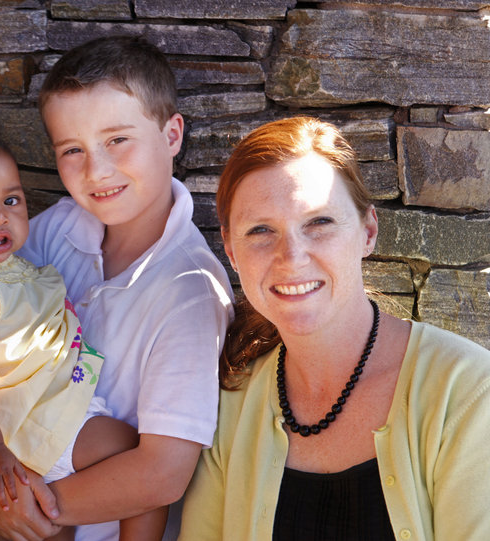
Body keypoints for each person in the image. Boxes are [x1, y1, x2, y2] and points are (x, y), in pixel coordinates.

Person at [179, 116, 490, 540]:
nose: (292, 257)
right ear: (232, 252)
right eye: (261, 231)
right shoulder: (230, 404)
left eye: (319, 223)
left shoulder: (466, 390)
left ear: (368, 231)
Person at [0, 36, 235, 540]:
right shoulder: (54, 232)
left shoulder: (190, 291)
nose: (96, 170)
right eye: (72, 149)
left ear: (171, 135)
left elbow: (162, 473)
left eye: (118, 139)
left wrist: (26, 509)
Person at [0, 120, 169, 540]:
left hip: (43, 421)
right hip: (38, 425)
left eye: (11, 200)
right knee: (137, 459)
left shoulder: (6, 270)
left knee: (51, 532)